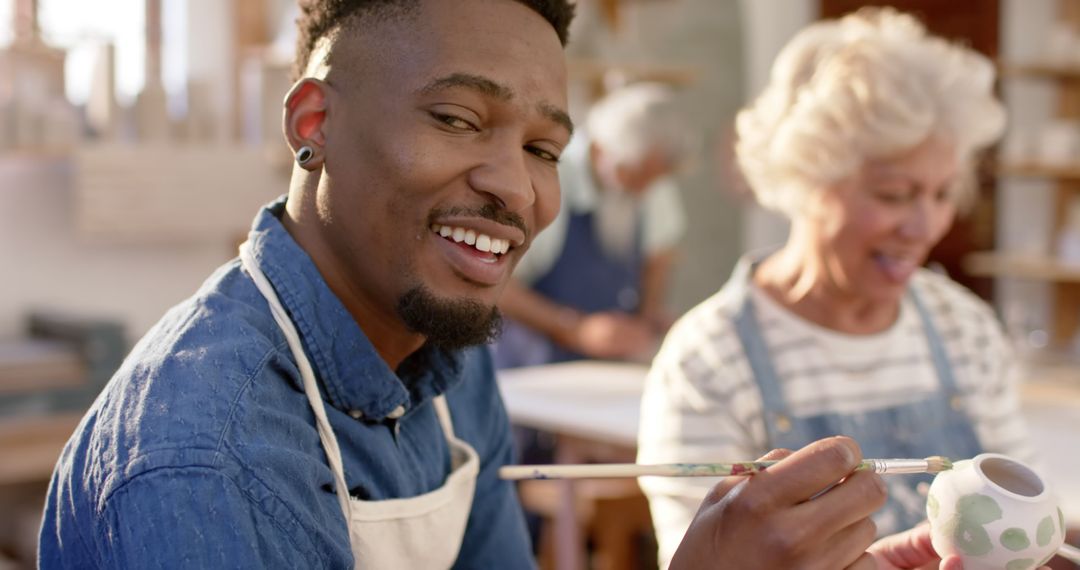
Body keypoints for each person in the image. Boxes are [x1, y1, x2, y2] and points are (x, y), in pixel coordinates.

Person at [38, 1, 969, 568]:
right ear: (313, 123)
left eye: (541, 148)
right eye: (456, 118)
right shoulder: (206, 459)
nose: (515, 186)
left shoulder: (445, 362)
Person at [638, 7, 1037, 568]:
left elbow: (1020, 512)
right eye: (895, 194)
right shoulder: (709, 358)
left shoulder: (963, 327)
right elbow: (698, 556)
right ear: (807, 182)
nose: (923, 227)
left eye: (943, 193)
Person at [492, 82, 693, 368]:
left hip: (606, 372)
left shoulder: (648, 177)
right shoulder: (549, 181)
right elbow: (495, 284)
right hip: (530, 373)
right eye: (635, 177)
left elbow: (659, 255)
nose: (643, 190)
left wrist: (649, 315)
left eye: (653, 180)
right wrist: (574, 329)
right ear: (600, 151)